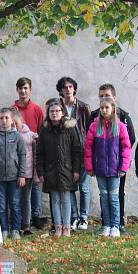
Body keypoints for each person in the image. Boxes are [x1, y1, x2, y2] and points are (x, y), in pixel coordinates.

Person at [84, 96, 132, 238]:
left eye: (107, 108)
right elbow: (88, 147)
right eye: (102, 108)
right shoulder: (94, 126)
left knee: (114, 198)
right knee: (104, 197)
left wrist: (123, 167)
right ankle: (106, 225)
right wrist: (89, 167)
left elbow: (126, 147)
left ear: (113, 109)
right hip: (99, 169)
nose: (104, 110)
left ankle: (115, 226)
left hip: (115, 170)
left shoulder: (120, 127)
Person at [91, 84, 136, 229]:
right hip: (101, 163)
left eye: (107, 95)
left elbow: (130, 139)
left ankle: (118, 223)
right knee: (104, 195)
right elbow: (89, 142)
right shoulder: (94, 117)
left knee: (117, 194)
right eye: (101, 95)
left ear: (114, 98)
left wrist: (121, 158)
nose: (104, 98)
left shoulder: (123, 117)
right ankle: (106, 223)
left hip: (117, 163)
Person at [36, 99, 83, 237]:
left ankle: (67, 227)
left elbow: (76, 150)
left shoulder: (70, 128)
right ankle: (57, 227)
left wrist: (76, 170)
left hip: (67, 170)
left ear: (62, 113)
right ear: (48, 113)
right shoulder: (44, 130)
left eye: (57, 111)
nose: (54, 113)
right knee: (55, 199)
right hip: (50, 171)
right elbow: (40, 153)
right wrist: (41, 171)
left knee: (66, 199)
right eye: (52, 111)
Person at [57, 76, 93, 230]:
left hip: (83, 150)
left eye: (70, 87)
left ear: (74, 88)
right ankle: (74, 216)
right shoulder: (57, 107)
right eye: (64, 87)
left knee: (84, 187)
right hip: (65, 152)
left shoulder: (84, 107)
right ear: (61, 90)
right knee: (69, 186)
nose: (68, 90)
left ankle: (84, 217)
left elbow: (90, 129)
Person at [0, 108, 27, 239]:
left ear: (12, 120)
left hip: (15, 177)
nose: (4, 121)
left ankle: (15, 229)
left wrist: (21, 175)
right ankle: (4, 229)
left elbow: (22, 155)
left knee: (15, 204)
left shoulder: (17, 136)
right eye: (1, 118)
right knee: (1, 205)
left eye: (6, 118)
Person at [13, 109, 38, 235]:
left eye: (15, 123)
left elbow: (35, 155)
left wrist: (36, 174)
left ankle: (26, 225)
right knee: (14, 200)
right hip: (13, 173)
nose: (14, 126)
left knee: (26, 199)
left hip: (27, 173)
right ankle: (15, 224)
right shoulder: (10, 135)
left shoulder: (31, 135)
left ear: (21, 121)